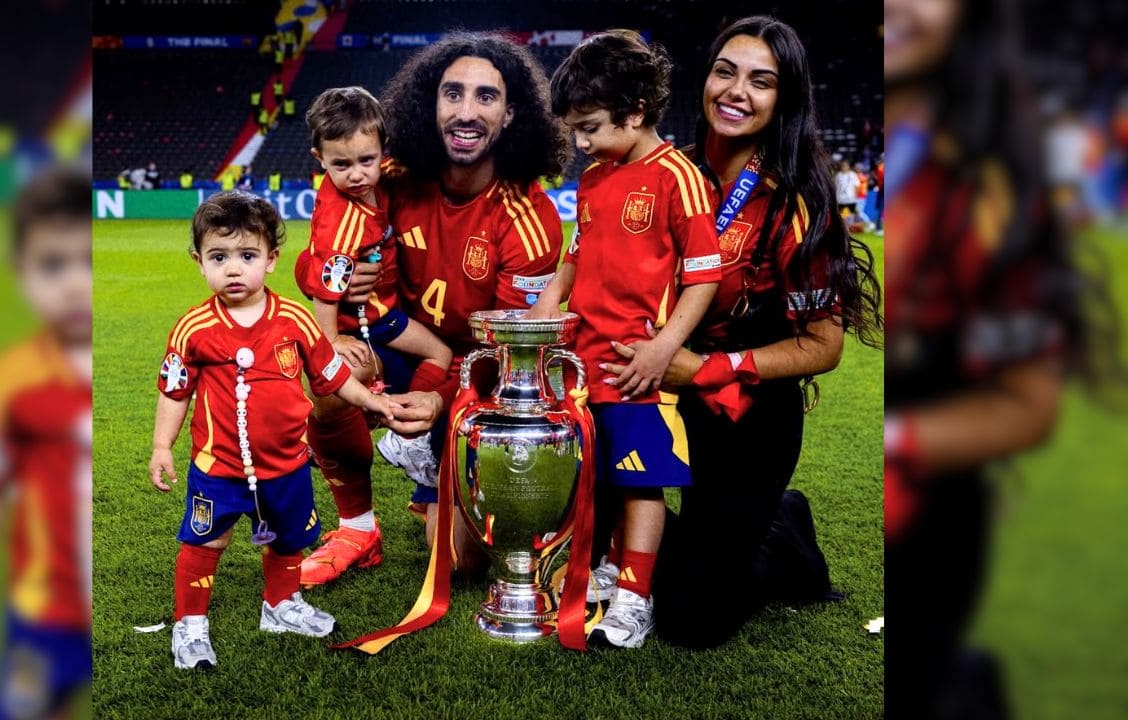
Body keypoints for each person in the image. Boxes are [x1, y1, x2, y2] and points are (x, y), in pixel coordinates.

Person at [601, 16, 883, 650]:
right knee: (594, 510)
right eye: (725, 71)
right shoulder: (672, 171)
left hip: (748, 416)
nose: (736, 91)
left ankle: (783, 532)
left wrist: (702, 370)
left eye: (762, 81)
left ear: (785, 100)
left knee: (689, 621)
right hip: (665, 391)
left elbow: (824, 346)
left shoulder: (794, 203)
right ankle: (732, 531)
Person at [883, 0, 1116, 716]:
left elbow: (1027, 406)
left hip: (929, 519)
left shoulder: (994, 188)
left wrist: (895, 444)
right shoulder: (787, 156)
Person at [291, 32, 569, 585]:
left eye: (486, 97)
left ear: (511, 114)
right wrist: (324, 279)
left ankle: (438, 477)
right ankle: (358, 527)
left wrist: (440, 401)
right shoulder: (392, 177)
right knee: (333, 373)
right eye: (453, 94)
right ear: (431, 103)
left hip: (476, 385)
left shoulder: (529, 219)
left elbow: (509, 357)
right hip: (396, 348)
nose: (467, 112)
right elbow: (321, 254)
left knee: (462, 565)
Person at [528, 29, 721, 649]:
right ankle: (610, 569)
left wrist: (665, 349)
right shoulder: (592, 180)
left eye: (589, 127)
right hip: (583, 363)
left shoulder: (677, 176)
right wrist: (546, 309)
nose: (580, 144)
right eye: (574, 130)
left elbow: (704, 275)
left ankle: (635, 600)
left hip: (638, 364)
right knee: (598, 476)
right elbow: (575, 257)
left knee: (641, 480)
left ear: (636, 113)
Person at [147, 191, 398, 670]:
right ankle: (191, 623)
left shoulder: (295, 320)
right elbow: (175, 392)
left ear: (271, 259)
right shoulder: (193, 329)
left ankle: (280, 606)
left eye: (247, 256)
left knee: (288, 540)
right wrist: (163, 446)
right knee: (204, 544)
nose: (234, 269)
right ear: (200, 263)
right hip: (218, 470)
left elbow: (333, 376)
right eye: (219, 257)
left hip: (286, 466)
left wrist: (373, 401)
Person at [0, 166, 94, 719]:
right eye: (54, 265)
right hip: (43, 611)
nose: (76, 282)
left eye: (90, 262)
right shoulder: (10, 380)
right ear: (21, 272)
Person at [299, 87, 454, 578]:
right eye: (341, 165)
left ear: (383, 152)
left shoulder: (379, 178)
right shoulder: (346, 219)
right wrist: (330, 342)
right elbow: (326, 287)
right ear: (319, 159)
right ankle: (405, 443)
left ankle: (407, 442)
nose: (357, 174)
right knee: (441, 353)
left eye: (367, 160)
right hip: (374, 318)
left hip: (379, 312)